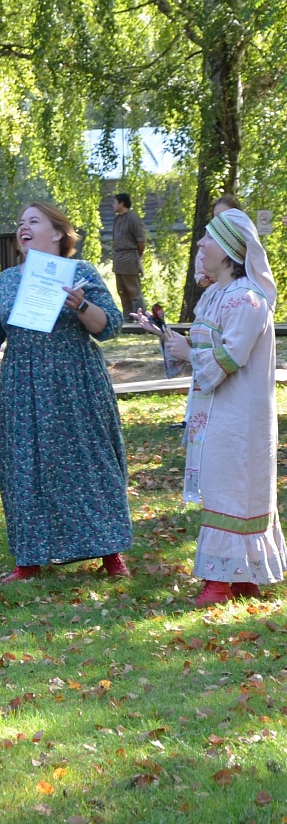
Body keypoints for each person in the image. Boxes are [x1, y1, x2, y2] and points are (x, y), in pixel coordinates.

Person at [0, 202, 132, 582]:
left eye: (33, 221)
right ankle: (28, 558)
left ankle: (111, 553)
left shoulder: (79, 273)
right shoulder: (8, 280)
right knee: (25, 466)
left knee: (91, 462)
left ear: (58, 233)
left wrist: (81, 304)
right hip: (23, 384)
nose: (23, 228)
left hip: (75, 381)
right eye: (20, 222)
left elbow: (108, 327)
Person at [146, 209, 285, 606]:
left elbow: (229, 358)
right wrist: (166, 336)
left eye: (208, 239)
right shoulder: (213, 293)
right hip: (217, 411)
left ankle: (223, 581)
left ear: (227, 250)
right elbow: (206, 348)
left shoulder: (249, 300)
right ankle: (240, 576)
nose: (201, 245)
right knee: (225, 488)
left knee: (236, 490)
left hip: (242, 415)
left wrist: (189, 352)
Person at [110, 192, 147, 315]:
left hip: (129, 257)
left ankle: (140, 318)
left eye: (115, 202)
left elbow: (141, 240)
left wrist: (137, 256)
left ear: (122, 203)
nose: (113, 205)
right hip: (118, 257)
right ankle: (127, 317)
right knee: (122, 290)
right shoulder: (117, 219)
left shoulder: (133, 218)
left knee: (134, 291)